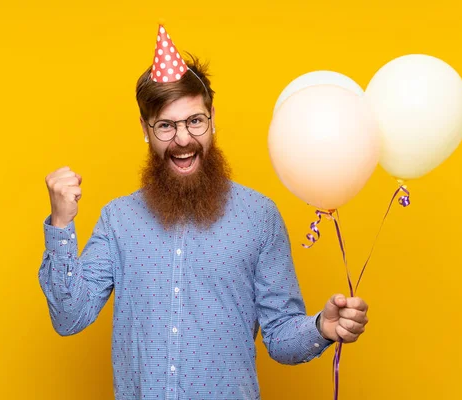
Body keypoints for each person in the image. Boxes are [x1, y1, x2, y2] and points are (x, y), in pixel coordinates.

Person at [39, 25, 369, 400]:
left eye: (195, 121)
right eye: (166, 125)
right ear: (146, 129)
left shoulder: (258, 217)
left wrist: (321, 328)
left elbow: (279, 337)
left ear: (212, 117)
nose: (183, 139)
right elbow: (69, 317)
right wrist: (62, 224)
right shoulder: (119, 221)